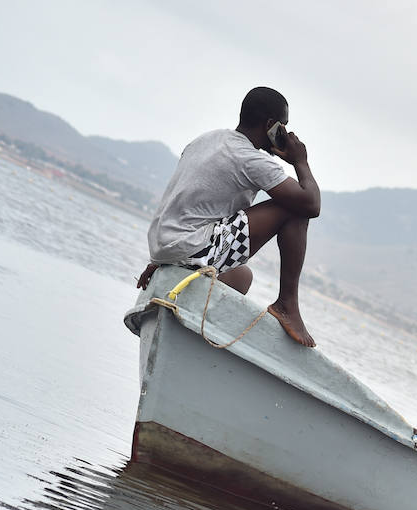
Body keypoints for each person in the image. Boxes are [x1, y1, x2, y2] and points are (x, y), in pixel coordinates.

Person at [136, 86, 321, 347]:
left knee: (241, 277)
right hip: (190, 246)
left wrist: (160, 259)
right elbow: (311, 204)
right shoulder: (248, 157)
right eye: (283, 127)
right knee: (296, 207)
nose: (286, 135)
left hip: (168, 245)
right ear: (270, 125)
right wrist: (300, 161)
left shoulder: (208, 139)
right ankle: (286, 305)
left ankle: (198, 337)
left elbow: (187, 203)